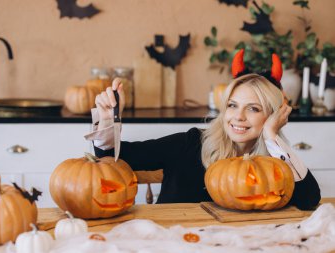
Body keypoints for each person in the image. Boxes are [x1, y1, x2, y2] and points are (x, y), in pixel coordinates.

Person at [84, 50, 321, 210]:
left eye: (253, 109)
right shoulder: (190, 143)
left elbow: (309, 199)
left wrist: (272, 136)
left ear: (272, 115)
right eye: (232, 105)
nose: (238, 116)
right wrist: (107, 122)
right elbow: (115, 158)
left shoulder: (274, 160)